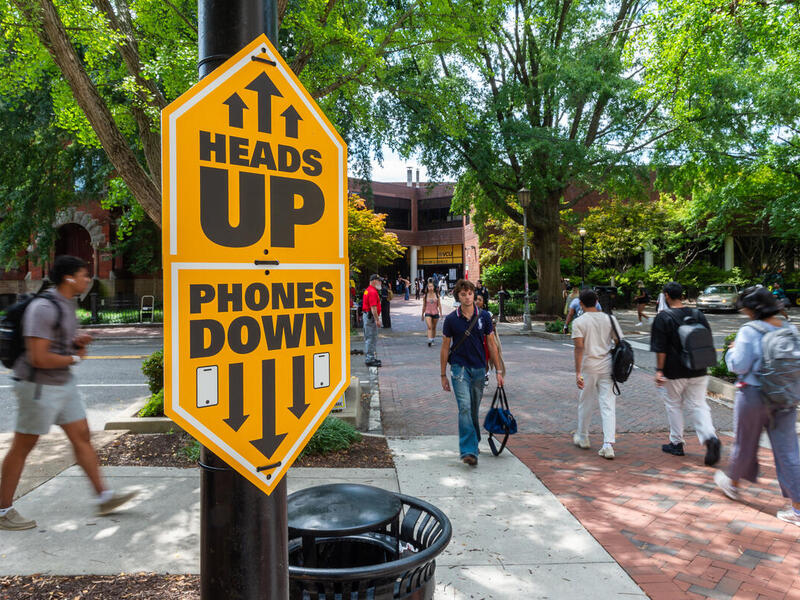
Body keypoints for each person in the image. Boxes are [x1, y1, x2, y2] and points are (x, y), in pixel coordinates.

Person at [0, 256, 138, 531]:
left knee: (82, 437)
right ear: (69, 278)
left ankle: (104, 497)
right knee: (23, 447)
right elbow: (39, 357)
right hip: (37, 386)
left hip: (62, 384)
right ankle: (3, 510)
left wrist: (75, 341)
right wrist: (75, 358)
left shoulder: (66, 303)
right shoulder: (43, 308)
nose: (88, 279)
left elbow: (58, 343)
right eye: (84, 274)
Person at [713, 287, 800, 525]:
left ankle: (733, 484)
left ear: (753, 309)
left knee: (745, 443)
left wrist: (731, 353)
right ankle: (798, 509)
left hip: (753, 395)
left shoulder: (750, 330)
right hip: (784, 398)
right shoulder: (788, 328)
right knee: (789, 451)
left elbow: (739, 365)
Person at [650, 282, 721, 465]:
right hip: (699, 367)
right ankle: (710, 438)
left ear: (666, 295)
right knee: (699, 405)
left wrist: (659, 370)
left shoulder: (663, 317)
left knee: (674, 404)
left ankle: (676, 443)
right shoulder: (697, 314)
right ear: (682, 295)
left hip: (674, 370)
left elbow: (661, 348)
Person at [440, 279, 504, 466]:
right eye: (463, 294)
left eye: (470, 294)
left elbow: (492, 344)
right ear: (458, 297)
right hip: (459, 368)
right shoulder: (451, 319)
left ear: (473, 295)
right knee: (465, 407)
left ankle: (473, 440)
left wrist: (498, 370)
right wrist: (443, 374)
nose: (467, 297)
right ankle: (468, 450)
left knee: (473, 408)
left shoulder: (483, 317)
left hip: (479, 368)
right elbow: (445, 347)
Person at [571, 289, 620, 459]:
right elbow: (618, 341)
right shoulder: (610, 319)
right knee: (608, 404)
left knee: (586, 402)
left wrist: (578, 372)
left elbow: (579, 348)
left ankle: (583, 436)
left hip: (588, 365)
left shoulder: (579, 322)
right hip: (607, 365)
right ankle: (608, 444)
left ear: (581, 304)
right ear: (597, 300)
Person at [362, 274, 383, 367]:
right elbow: (373, 307)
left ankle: (370, 357)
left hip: (368, 316)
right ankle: (370, 359)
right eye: (379, 281)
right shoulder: (372, 292)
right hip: (370, 318)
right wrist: (377, 319)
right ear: (374, 281)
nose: (380, 282)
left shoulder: (368, 290)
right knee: (371, 338)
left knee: (369, 337)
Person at [421, 279, 443, 347]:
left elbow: (439, 305)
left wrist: (441, 314)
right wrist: (422, 314)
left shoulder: (437, 295)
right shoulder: (425, 296)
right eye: (429, 286)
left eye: (431, 286)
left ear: (434, 287)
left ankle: (432, 339)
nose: (430, 288)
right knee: (430, 327)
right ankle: (429, 340)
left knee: (433, 327)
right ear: (427, 287)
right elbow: (424, 305)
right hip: (428, 313)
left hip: (435, 313)